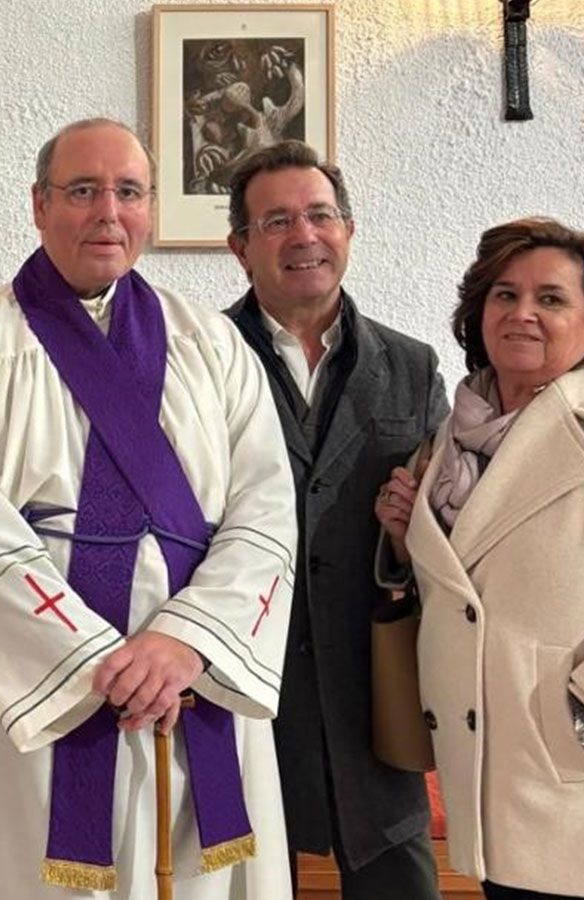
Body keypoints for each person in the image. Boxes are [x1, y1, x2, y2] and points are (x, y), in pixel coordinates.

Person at [0, 117, 297, 900]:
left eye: (129, 192)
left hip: (193, 685)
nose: (107, 213)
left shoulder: (214, 346)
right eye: (83, 191)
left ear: (153, 207)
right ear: (39, 204)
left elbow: (266, 512)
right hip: (44, 693)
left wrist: (184, 644)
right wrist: (99, 662)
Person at [376, 218, 584, 900]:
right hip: (491, 783)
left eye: (552, 299)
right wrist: (400, 541)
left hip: (583, 785)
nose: (522, 313)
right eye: (504, 295)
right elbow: (472, 586)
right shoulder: (451, 441)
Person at [221, 141, 446, 899]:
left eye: (320, 215)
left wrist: (407, 537)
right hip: (242, 692)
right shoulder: (196, 359)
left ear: (349, 229)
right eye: (276, 220)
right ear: (239, 248)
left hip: (375, 698)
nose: (303, 235)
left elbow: (449, 533)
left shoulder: (413, 367)